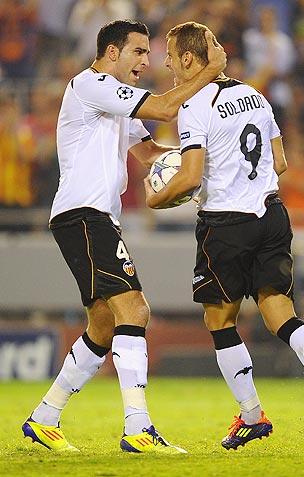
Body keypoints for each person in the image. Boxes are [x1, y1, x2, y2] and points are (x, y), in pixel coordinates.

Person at [22, 19, 226, 454]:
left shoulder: (116, 105)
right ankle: (138, 427)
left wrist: (204, 164)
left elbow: (150, 153)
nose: (146, 62)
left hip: (94, 217)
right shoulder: (90, 85)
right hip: (84, 213)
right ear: (111, 52)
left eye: (149, 54)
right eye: (138, 52)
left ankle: (45, 417)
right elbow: (167, 107)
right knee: (135, 309)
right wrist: (211, 71)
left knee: (104, 322)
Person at [144, 21, 304, 450]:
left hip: (227, 226)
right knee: (281, 313)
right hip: (272, 214)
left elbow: (190, 176)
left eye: (169, 54)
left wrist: (158, 198)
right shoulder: (253, 94)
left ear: (187, 58)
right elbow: (280, 162)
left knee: (219, 320)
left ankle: (253, 415)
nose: (164, 61)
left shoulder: (194, 107)